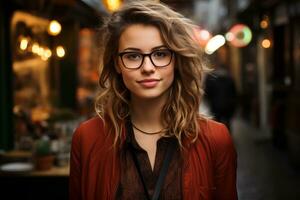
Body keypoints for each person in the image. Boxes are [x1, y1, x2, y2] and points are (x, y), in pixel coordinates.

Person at [69, 1, 237, 200]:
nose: (147, 67)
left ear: (176, 61)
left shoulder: (216, 140)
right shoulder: (87, 138)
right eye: (133, 56)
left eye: (160, 54)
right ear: (117, 64)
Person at [204, 48, 237, 130]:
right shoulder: (229, 77)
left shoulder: (211, 77)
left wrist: (210, 102)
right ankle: (227, 138)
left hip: (215, 105)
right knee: (228, 125)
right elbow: (234, 92)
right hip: (228, 106)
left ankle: (219, 140)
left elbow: (207, 92)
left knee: (217, 125)